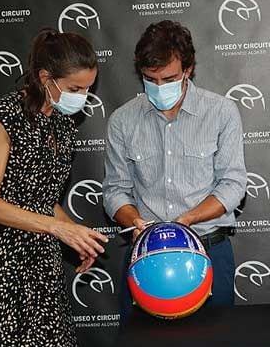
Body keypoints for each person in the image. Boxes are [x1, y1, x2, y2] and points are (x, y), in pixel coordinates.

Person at [0, 29, 109, 347]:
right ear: (46, 77)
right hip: (2, 263)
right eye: (75, 89)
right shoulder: (6, 118)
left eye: (88, 90)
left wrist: (76, 236)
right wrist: (56, 229)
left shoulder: (63, 126)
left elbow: (44, 199)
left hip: (43, 264)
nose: (82, 97)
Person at [103, 20, 246, 312]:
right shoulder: (122, 120)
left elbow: (233, 185)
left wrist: (187, 221)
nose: (159, 88)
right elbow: (115, 191)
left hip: (209, 251)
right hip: (146, 257)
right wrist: (135, 222)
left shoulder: (221, 112)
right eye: (150, 79)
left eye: (168, 79)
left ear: (188, 70)